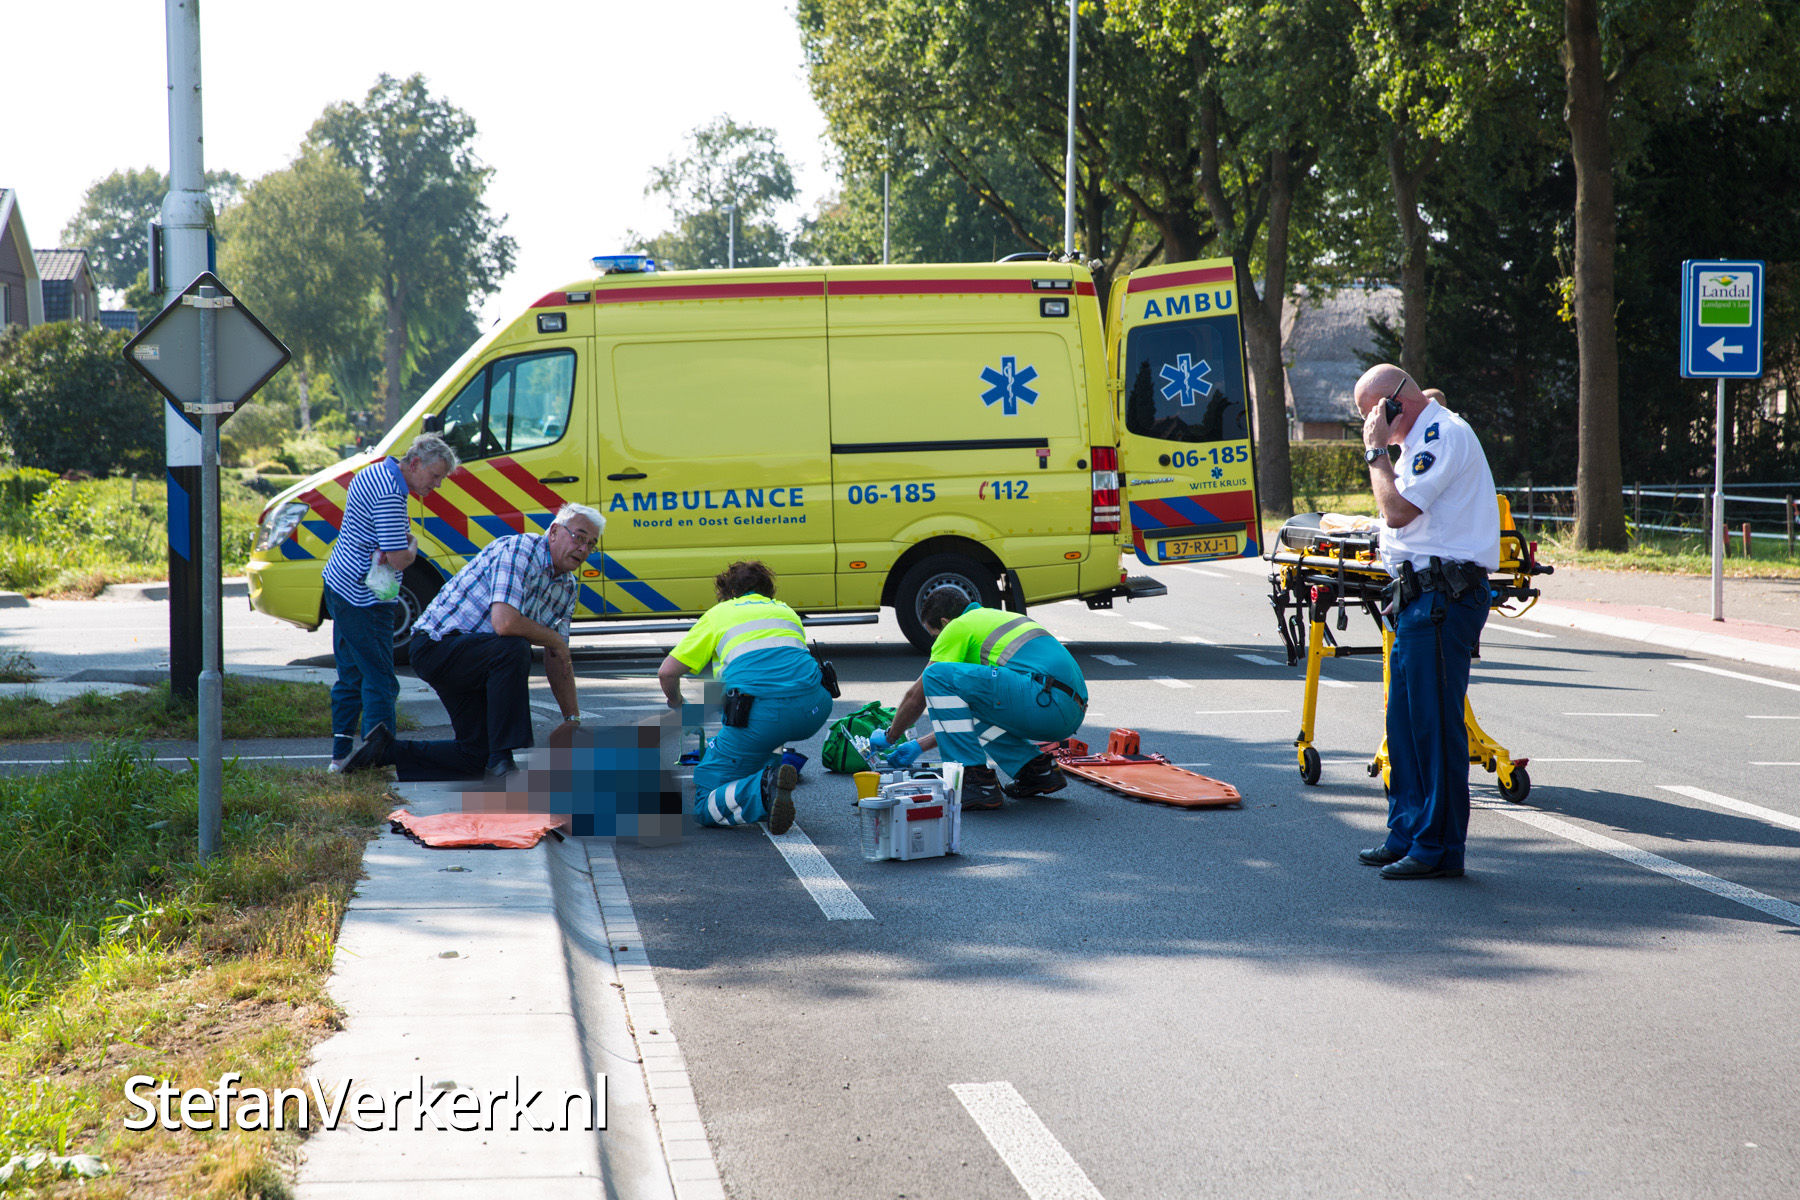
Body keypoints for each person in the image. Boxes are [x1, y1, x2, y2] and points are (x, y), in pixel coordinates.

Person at [1354, 364, 1499, 880]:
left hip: (1443, 597)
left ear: (1393, 403)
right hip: (1417, 596)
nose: (1366, 424)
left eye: (1368, 412)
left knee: (1434, 728)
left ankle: (1437, 848)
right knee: (1405, 727)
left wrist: (1376, 453)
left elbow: (1398, 511)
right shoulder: (1418, 442)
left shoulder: (1441, 435)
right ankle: (1408, 833)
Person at [342, 503, 602, 781]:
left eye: (591, 544)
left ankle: (384, 751)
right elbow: (505, 623)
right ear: (554, 532)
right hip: (437, 646)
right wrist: (555, 640)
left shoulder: (567, 587)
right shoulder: (520, 550)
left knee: (475, 756)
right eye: (578, 537)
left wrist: (571, 719)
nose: (583, 549)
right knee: (514, 647)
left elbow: (557, 655)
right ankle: (502, 760)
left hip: (479, 659)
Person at [872, 589, 1087, 810]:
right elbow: (960, 717)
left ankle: (974, 780)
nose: (937, 642)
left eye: (935, 635)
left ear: (945, 622)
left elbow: (917, 696)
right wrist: (919, 745)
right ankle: (1034, 770)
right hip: (1067, 709)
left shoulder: (958, 626)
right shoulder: (994, 619)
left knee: (935, 676)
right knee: (970, 698)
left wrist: (891, 736)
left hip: (1043, 699)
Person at [658, 561, 832, 835]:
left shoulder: (720, 614)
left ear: (728, 592)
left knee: (704, 802)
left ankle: (764, 787)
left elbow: (667, 673)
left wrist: (678, 703)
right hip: (814, 708)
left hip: (761, 715)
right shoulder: (786, 611)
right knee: (770, 722)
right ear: (767, 590)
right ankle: (769, 771)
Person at [321, 434, 458, 771]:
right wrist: (411, 547)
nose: (437, 485)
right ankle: (377, 762)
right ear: (415, 463)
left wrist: (395, 545)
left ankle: (340, 756)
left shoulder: (375, 471)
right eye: (435, 476)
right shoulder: (391, 493)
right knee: (381, 680)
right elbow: (398, 557)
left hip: (340, 583)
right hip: (364, 598)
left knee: (350, 676)